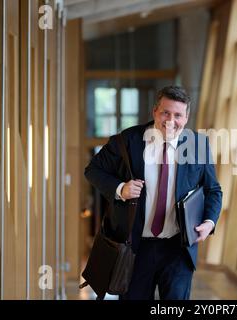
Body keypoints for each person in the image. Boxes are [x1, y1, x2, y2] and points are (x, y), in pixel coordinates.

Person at [84, 85, 222, 300]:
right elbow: (93, 170)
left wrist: (209, 222)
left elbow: (213, 190)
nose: (170, 120)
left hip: (178, 248)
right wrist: (121, 189)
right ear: (154, 112)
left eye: (178, 115)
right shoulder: (127, 141)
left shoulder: (198, 145)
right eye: (165, 112)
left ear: (186, 118)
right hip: (136, 248)